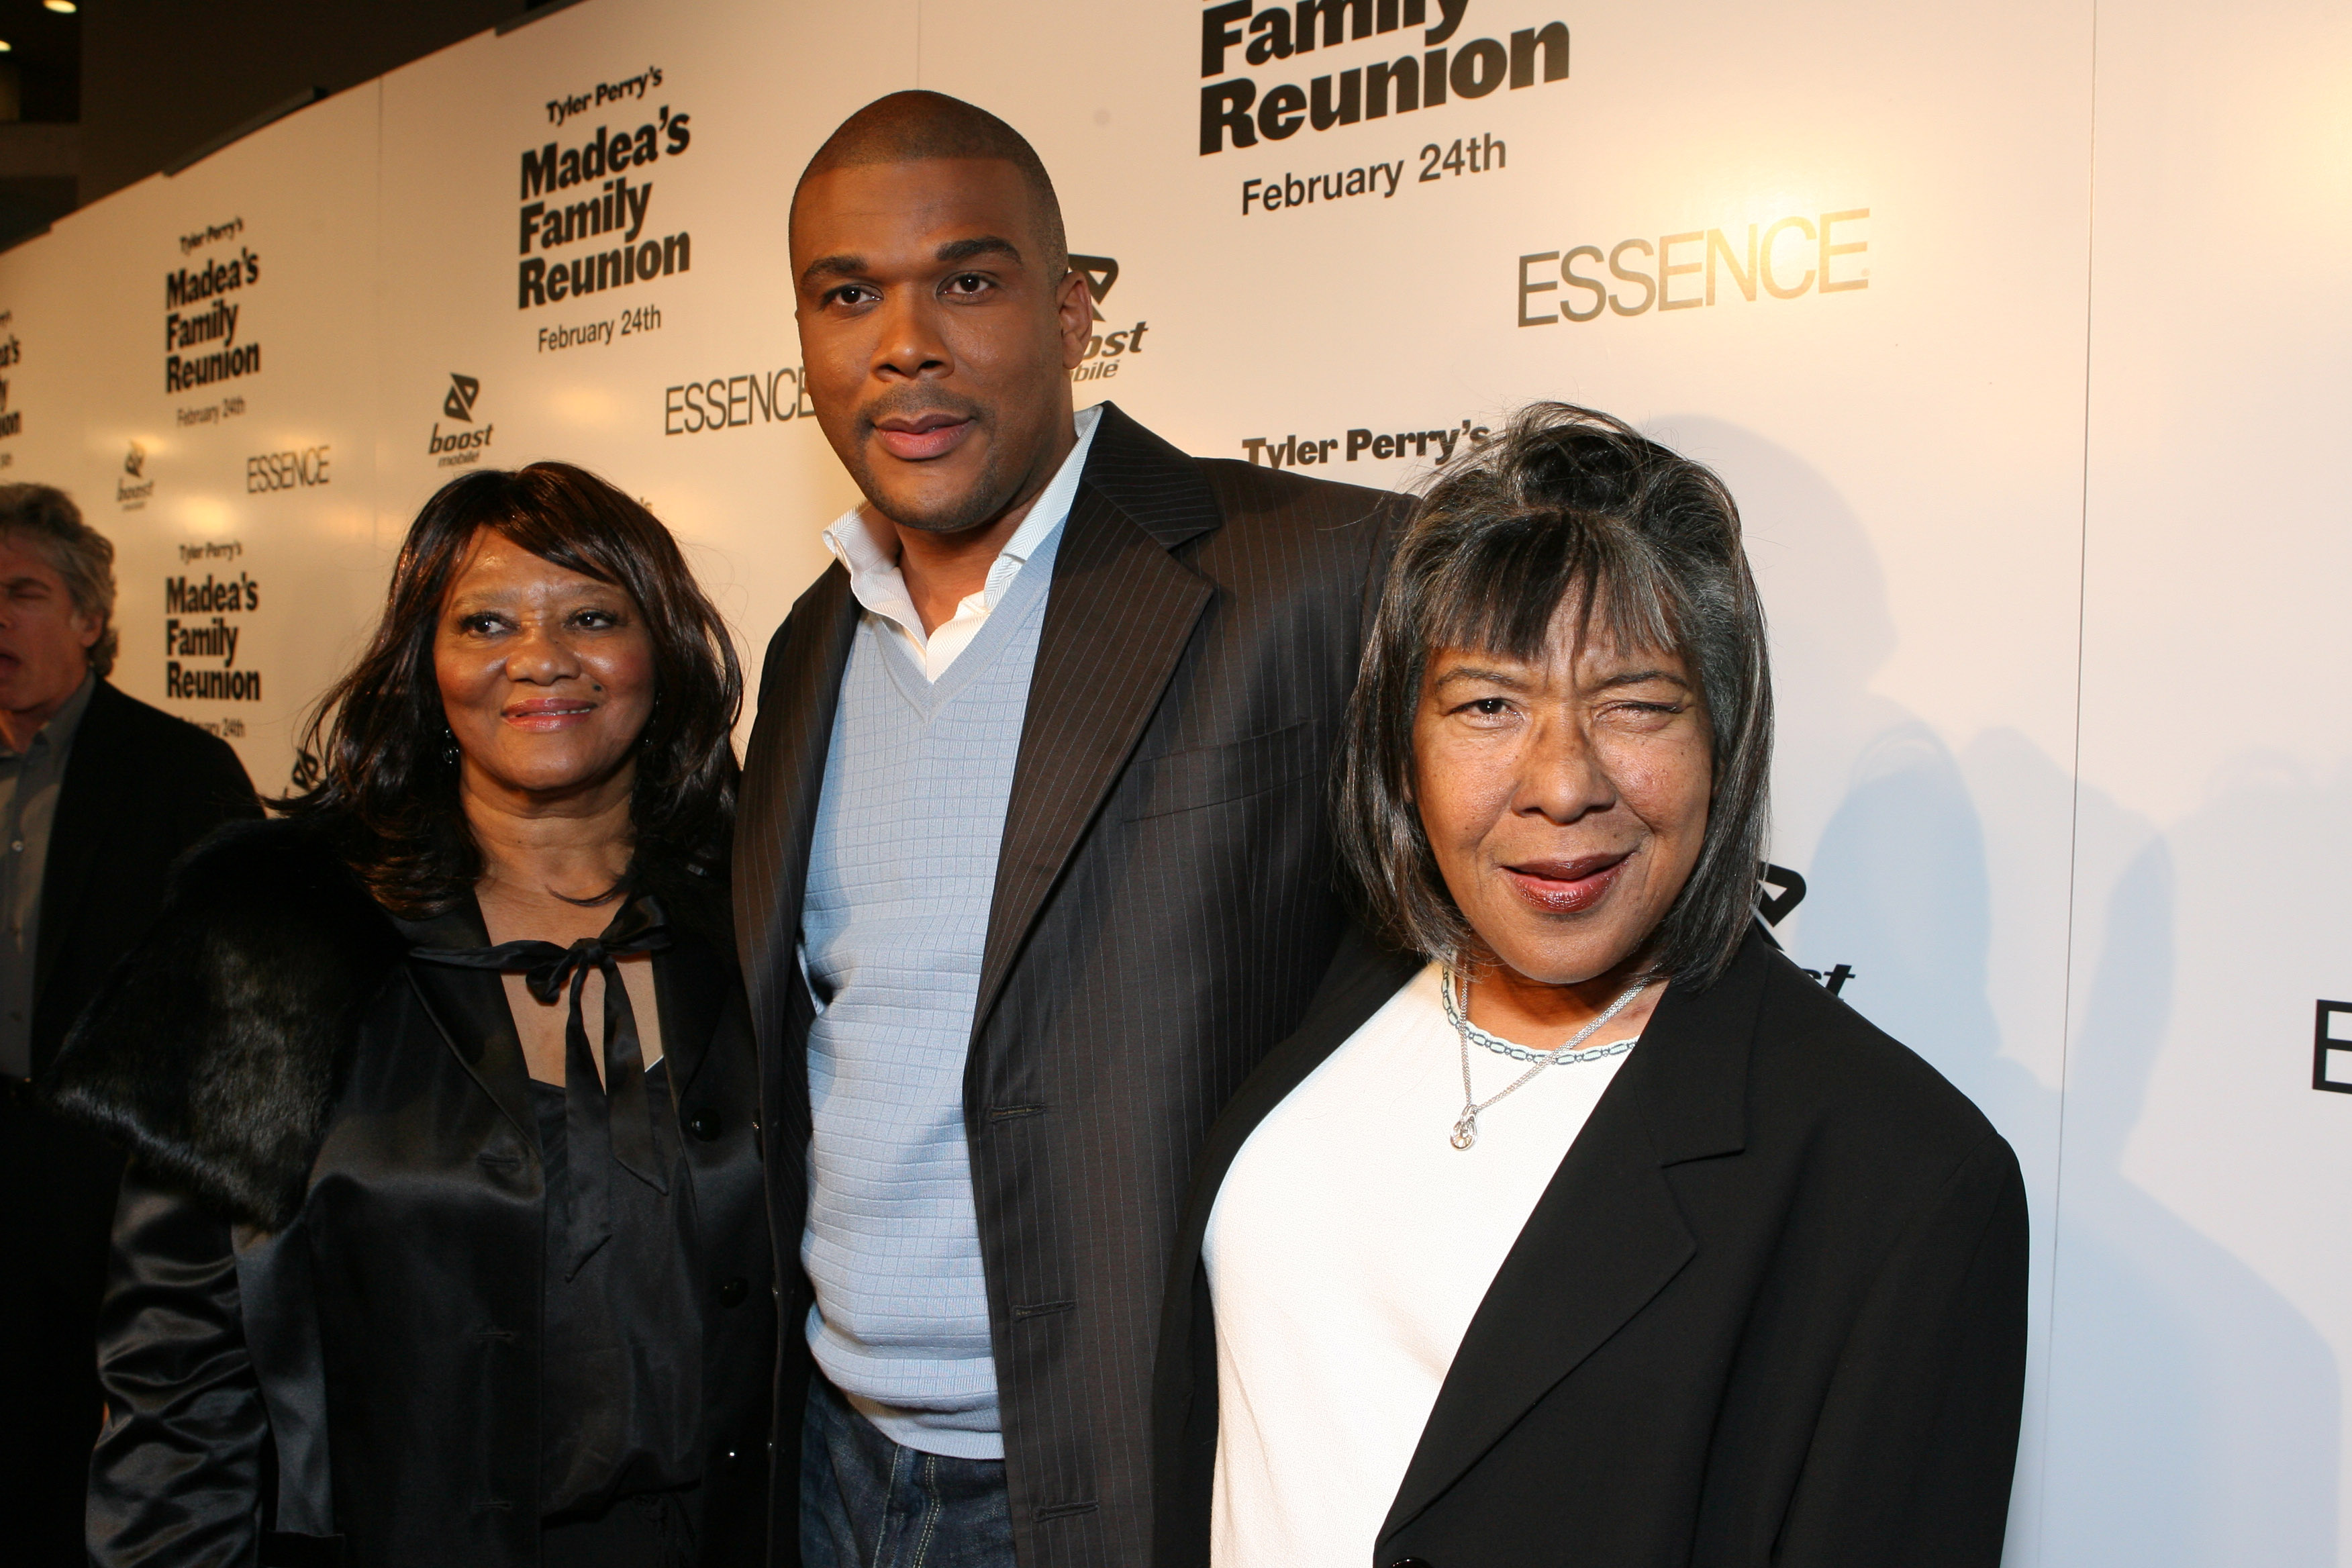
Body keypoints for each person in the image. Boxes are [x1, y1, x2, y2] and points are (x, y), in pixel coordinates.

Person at [1150, 405, 2030, 1568]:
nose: (1562, 785)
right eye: (1487, 706)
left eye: (1635, 703)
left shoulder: (1900, 1178)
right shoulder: (1343, 988)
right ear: (1401, 748)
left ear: (1725, 734)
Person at [742, 91, 1408, 1568]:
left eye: (966, 282)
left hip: (1124, 1464)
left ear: (1072, 309)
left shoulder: (1318, 574)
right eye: (847, 294)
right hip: (831, 1460)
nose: (903, 342)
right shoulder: (807, 650)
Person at [46, 464, 775, 1568]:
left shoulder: (762, 916)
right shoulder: (274, 934)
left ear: (661, 654)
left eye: (592, 616)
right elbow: (175, 1373)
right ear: (426, 667)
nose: (540, 658)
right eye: (485, 622)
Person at [0, 483, 259, 1567]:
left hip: (109, 1222)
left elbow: (237, 1026)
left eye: (24, 593)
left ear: (92, 618)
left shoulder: (179, 774)